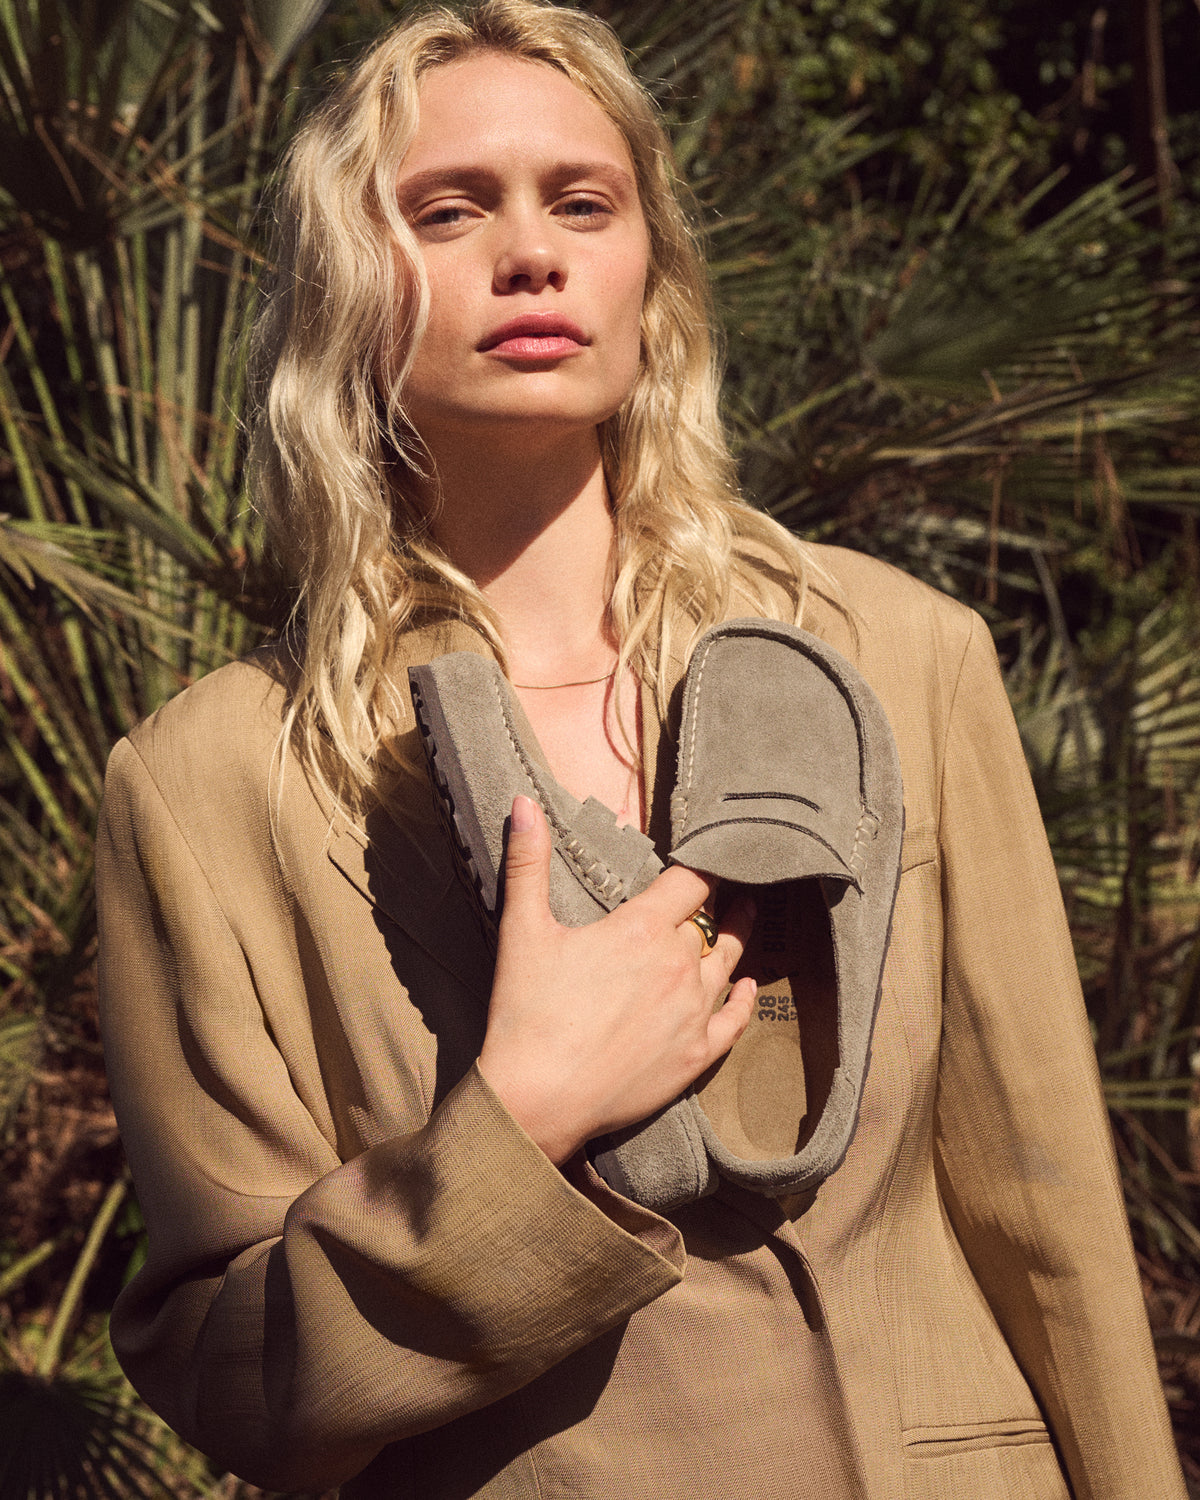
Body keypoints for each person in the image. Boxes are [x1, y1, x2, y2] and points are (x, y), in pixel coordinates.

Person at [95, 3, 1186, 1497]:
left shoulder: (900, 656)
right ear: (351, 286)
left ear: (650, 276)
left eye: (582, 203)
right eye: (448, 208)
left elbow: (1045, 1214)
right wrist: (516, 1128)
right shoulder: (211, 782)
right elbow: (240, 1373)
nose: (529, 252)